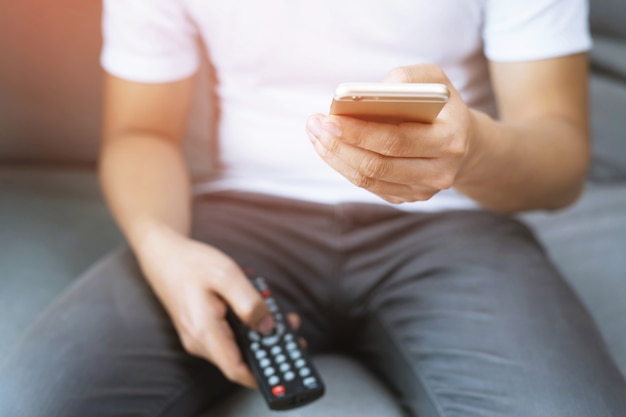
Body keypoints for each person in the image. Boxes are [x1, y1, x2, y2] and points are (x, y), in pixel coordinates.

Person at [1, 0, 626, 416]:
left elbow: (560, 158)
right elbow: (142, 134)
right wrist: (162, 245)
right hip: (239, 224)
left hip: (452, 222)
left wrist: (471, 152)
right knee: (37, 402)